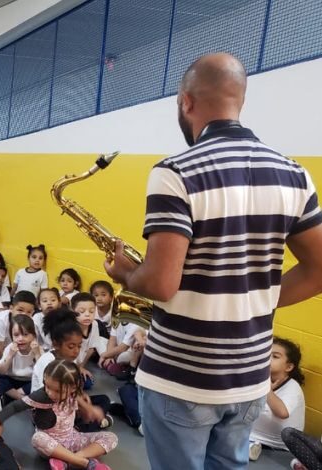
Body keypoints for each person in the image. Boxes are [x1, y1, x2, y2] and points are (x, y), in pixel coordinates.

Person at [104, 53, 322, 470]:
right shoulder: (294, 174)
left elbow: (161, 284)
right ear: (239, 99)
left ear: (186, 102)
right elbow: (320, 268)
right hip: (248, 377)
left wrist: (125, 273)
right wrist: (256, 301)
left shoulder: (176, 171)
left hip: (181, 378)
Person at [0, 358, 116, 470]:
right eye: (47, 387)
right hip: (51, 446)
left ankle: (71, 460)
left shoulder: (74, 395)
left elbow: (77, 413)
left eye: (57, 390)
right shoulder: (42, 397)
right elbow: (13, 407)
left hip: (72, 439)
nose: (50, 393)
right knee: (37, 438)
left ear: (73, 388)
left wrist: (87, 412)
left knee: (111, 437)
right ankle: (85, 463)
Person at [249, 337, 305, 460]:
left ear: (289, 367)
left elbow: (282, 413)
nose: (268, 358)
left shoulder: (292, 387)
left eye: (275, 356)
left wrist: (267, 390)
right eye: (266, 353)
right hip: (250, 437)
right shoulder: (257, 378)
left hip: (275, 450)